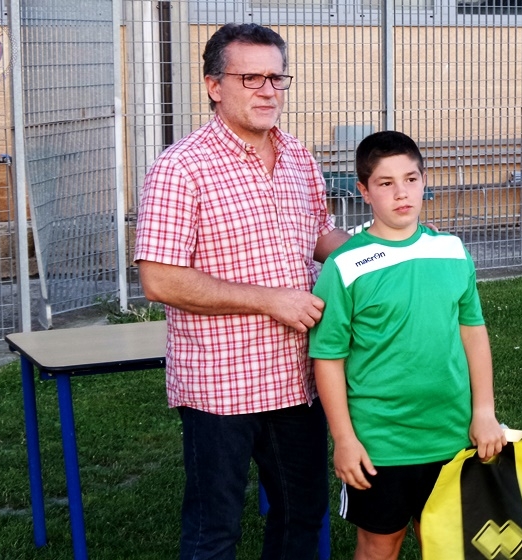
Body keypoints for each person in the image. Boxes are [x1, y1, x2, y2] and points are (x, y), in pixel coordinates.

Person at [133, 23, 350, 558]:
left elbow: (318, 236)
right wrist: (271, 300)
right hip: (221, 386)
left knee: (302, 517)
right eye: (251, 78)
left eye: (277, 78)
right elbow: (159, 279)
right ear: (214, 86)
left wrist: (390, 251)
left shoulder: (297, 156)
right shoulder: (181, 167)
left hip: (297, 378)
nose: (268, 90)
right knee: (214, 532)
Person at [308, 130, 508, 559]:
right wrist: (344, 439)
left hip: (452, 434)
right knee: (381, 546)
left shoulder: (452, 250)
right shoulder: (345, 266)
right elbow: (328, 358)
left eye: (411, 179)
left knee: (447, 546)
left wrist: (484, 412)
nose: (402, 193)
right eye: (386, 183)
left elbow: (473, 332)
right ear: (364, 190)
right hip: (381, 442)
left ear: (424, 181)